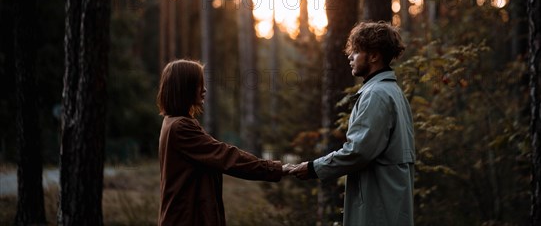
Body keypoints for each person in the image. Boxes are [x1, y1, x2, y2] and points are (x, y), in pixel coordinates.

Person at [290, 21, 416, 226]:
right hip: (389, 206)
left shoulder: (376, 95)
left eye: (356, 52)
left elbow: (358, 152)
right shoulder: (391, 92)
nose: (350, 57)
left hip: (379, 210)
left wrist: (314, 168)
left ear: (374, 56)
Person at [156, 59, 292, 226]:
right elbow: (226, 156)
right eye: (198, 84)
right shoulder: (181, 127)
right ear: (185, 88)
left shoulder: (172, 122)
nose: (204, 89)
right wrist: (275, 168)